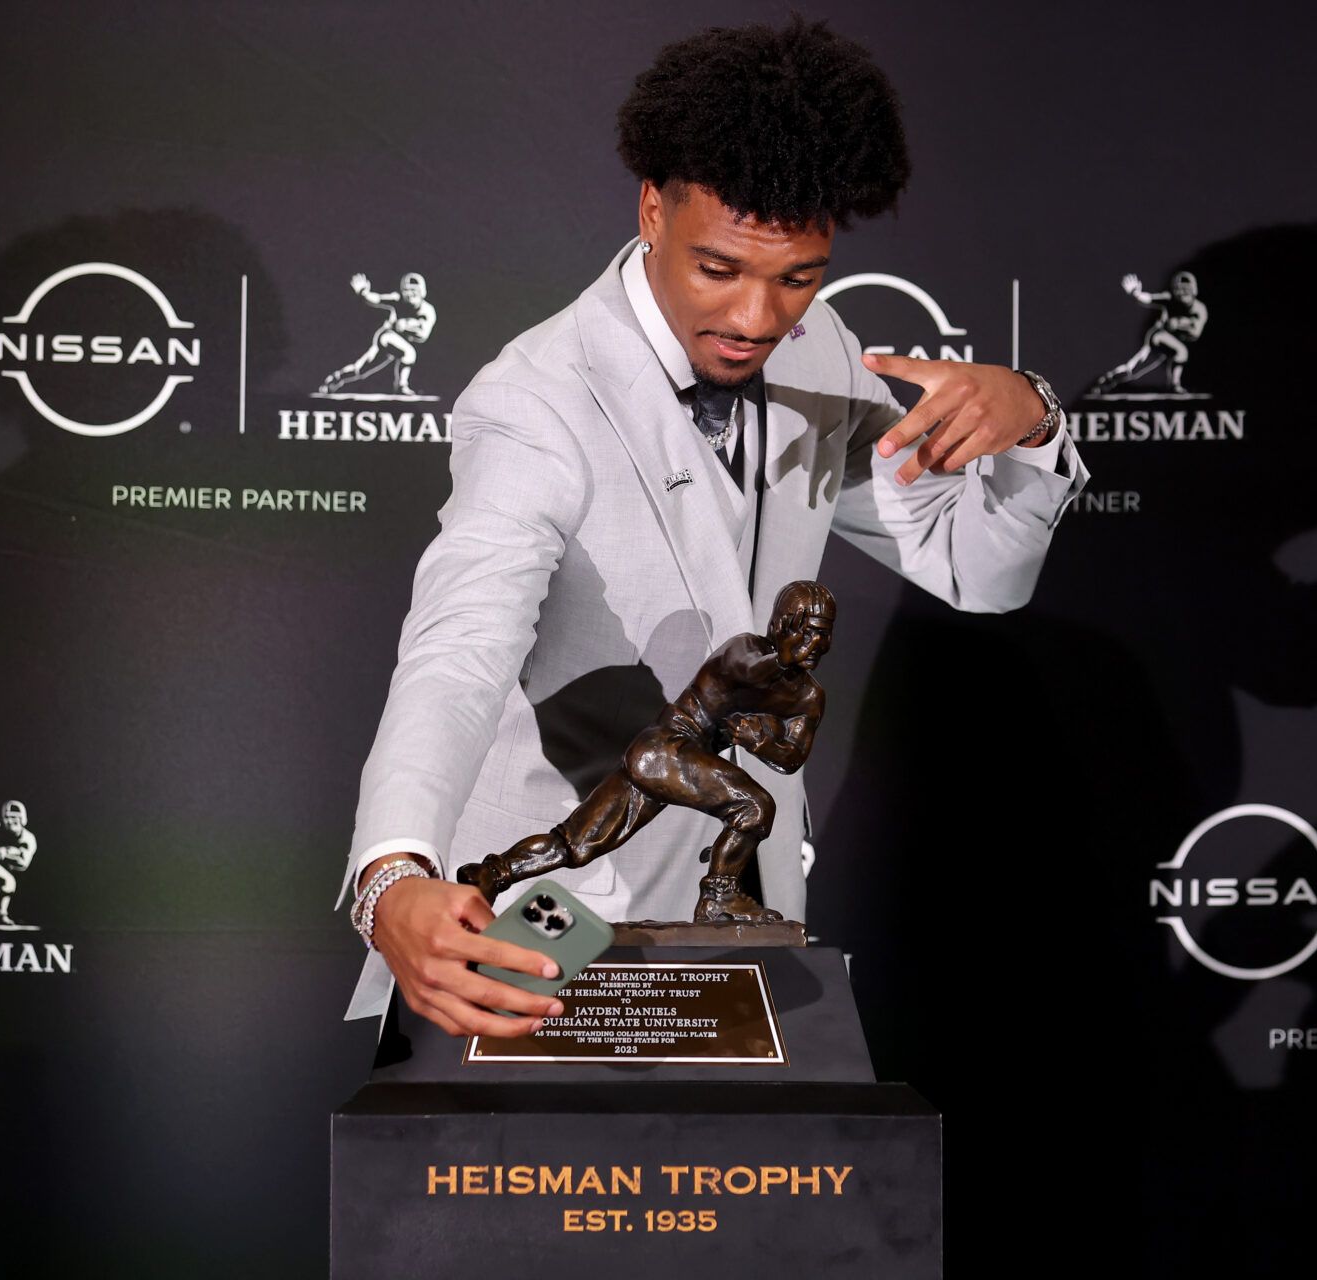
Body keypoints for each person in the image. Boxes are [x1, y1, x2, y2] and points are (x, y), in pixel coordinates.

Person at [338, 18, 1089, 1038]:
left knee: (747, 1188)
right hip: (552, 920)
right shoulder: (536, 402)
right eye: (720, 267)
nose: (756, 315)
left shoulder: (819, 348)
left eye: (798, 275)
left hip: (739, 922)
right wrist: (393, 874)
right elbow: (457, 652)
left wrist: (1033, 415)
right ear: (653, 209)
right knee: (519, 1181)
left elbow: (978, 570)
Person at [458, 580, 835, 922]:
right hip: (665, 748)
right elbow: (748, 671)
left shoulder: (808, 696)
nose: (817, 645)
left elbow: (792, 756)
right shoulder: (746, 650)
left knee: (577, 844)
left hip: (667, 763)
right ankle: (719, 897)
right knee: (754, 806)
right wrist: (783, 659)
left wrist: (762, 741)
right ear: (785, 625)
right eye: (810, 632)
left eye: (825, 635)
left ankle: (493, 872)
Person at [318, 271, 436, 396]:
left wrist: (408, 325)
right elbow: (378, 298)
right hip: (386, 337)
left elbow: (423, 335)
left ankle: (336, 378)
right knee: (409, 353)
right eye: (406, 290)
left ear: (422, 291)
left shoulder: (427, 311)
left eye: (414, 290)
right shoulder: (398, 299)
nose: (410, 294)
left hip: (396, 344)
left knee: (360, 370)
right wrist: (363, 293)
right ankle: (401, 386)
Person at [1091, 271, 1208, 396]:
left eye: (1186, 289)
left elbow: (1195, 334)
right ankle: (1174, 385)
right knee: (1182, 352)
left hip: (1172, 341)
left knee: (1133, 370)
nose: (1183, 293)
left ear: (1194, 290)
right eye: (1179, 289)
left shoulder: (1200, 310)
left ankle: (1107, 380)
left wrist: (1180, 324)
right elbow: (1148, 298)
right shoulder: (1170, 299)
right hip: (1159, 336)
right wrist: (1136, 292)